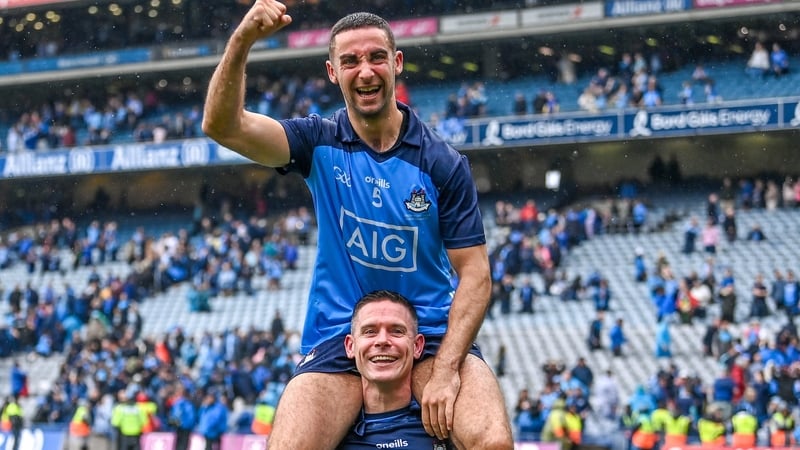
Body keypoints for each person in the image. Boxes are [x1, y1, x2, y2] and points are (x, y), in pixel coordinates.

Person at [202, 4, 511, 449]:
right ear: (332, 71)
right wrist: (244, 38)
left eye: (376, 57)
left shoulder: (442, 164)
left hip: (430, 335)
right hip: (339, 336)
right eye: (350, 61)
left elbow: (477, 274)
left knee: (492, 442)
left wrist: (446, 369)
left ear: (396, 63)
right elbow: (221, 125)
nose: (365, 71)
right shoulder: (317, 141)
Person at [338, 290, 452, 449]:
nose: (382, 340)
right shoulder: (328, 434)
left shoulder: (448, 422)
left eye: (397, 331)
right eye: (370, 331)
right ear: (350, 346)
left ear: (417, 346)